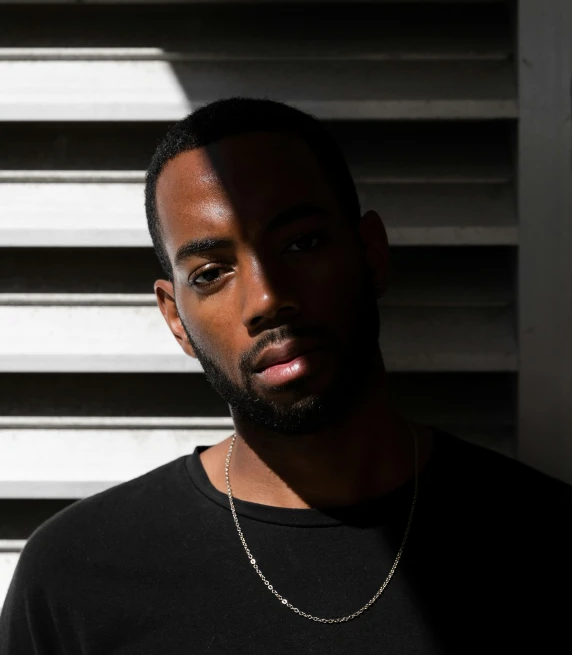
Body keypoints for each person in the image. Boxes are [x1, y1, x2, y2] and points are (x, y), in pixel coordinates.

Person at [1, 98, 570, 654]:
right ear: (176, 319)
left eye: (302, 244)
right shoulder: (75, 579)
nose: (268, 299)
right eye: (212, 272)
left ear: (371, 254)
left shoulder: (539, 543)